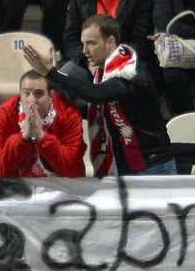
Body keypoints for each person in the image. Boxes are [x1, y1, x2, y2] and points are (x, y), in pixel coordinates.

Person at [25, 14, 175, 176]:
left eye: (91, 43)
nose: (84, 51)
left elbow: (96, 94)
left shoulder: (132, 71)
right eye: (83, 44)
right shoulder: (107, 70)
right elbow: (97, 107)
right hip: (128, 165)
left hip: (153, 167)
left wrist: (52, 73)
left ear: (110, 41)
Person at [0, 69, 85, 178]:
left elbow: (72, 169)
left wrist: (42, 136)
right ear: (20, 94)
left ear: (50, 95)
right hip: (20, 187)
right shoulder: (4, 113)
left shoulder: (69, 113)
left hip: (62, 186)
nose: (32, 100)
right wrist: (23, 138)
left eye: (38, 94)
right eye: (26, 93)